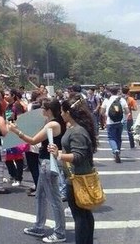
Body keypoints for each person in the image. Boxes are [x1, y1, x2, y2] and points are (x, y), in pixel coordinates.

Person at [9, 98, 67, 243]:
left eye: (43, 108)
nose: (41, 110)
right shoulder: (55, 122)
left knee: (54, 199)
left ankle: (60, 232)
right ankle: (39, 226)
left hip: (49, 162)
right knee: (40, 195)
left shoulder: (53, 124)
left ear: (48, 110)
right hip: (47, 162)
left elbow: (33, 140)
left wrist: (17, 132)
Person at [48, 94, 98, 244]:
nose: (61, 114)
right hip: (78, 176)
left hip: (77, 178)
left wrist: (59, 155)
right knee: (85, 215)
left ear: (68, 112)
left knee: (80, 216)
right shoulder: (77, 128)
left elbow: (78, 156)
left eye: (63, 112)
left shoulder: (77, 131)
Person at [100, 87, 129, 163]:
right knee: (118, 138)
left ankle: (115, 150)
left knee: (111, 138)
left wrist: (106, 115)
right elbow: (127, 111)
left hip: (110, 122)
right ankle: (118, 151)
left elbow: (101, 112)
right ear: (118, 91)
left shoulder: (107, 100)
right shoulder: (122, 100)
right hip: (120, 122)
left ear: (110, 92)